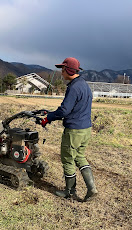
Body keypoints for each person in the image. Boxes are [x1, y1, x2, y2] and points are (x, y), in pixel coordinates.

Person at [41, 57, 98, 202]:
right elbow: (75, 108)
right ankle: (92, 189)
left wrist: (48, 118)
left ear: (69, 70)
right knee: (79, 156)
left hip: (74, 131)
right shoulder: (84, 85)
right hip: (86, 129)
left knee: (67, 160)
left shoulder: (73, 87)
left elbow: (65, 111)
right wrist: (52, 113)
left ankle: (69, 192)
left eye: (62, 69)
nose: (61, 73)